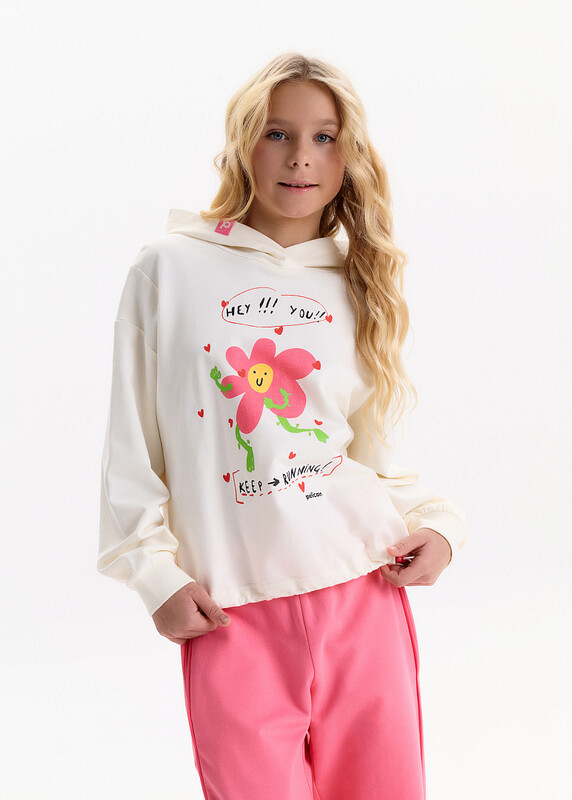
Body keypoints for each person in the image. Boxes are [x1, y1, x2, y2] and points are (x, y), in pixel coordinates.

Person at [98, 52, 466, 800]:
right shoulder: (169, 269)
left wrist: (439, 525)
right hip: (229, 613)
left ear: (349, 154)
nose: (301, 156)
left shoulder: (358, 280)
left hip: (363, 591)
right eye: (277, 133)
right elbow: (129, 445)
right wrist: (153, 574)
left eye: (325, 137)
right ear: (243, 143)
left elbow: (371, 455)